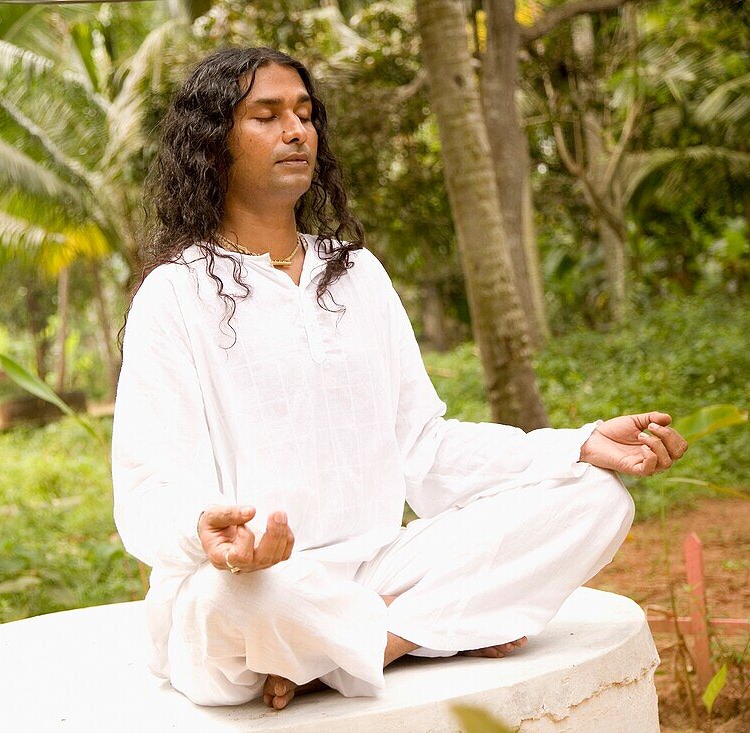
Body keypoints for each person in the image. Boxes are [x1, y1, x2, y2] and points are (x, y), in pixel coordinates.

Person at [110, 47, 688, 711]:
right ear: (213, 147)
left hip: (378, 569)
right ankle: (413, 629)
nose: (296, 131)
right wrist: (207, 531)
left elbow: (426, 447)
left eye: (304, 113)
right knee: (229, 601)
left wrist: (578, 443)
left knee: (596, 499)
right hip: (259, 584)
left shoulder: (355, 275)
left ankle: (360, 645)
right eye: (266, 117)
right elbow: (150, 486)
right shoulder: (175, 294)